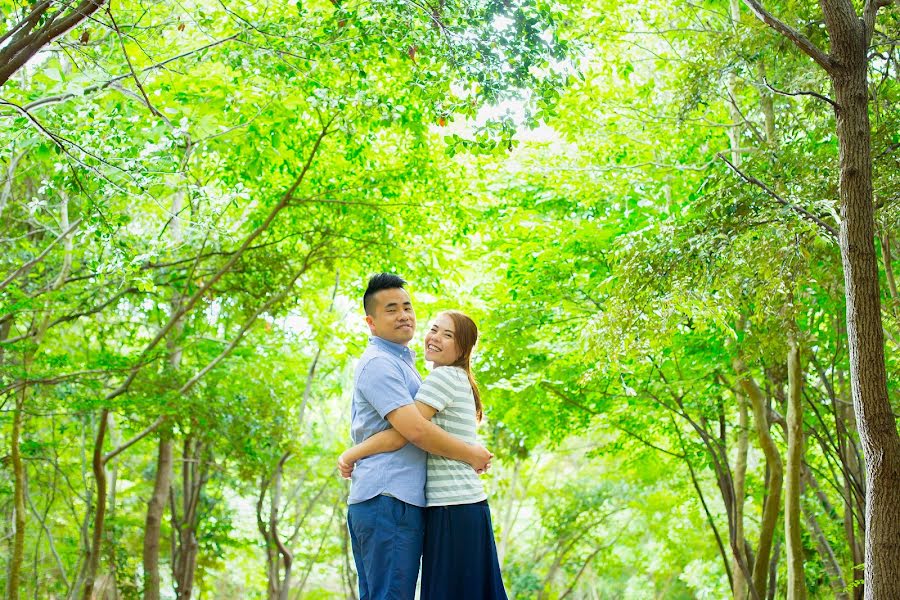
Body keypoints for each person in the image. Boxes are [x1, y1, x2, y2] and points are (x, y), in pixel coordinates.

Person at [341, 309, 508, 600]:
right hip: (461, 506)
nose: (436, 338)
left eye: (448, 335)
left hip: (453, 506)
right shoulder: (452, 378)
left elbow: (406, 432)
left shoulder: (442, 378)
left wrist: (353, 453)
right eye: (434, 329)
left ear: (463, 348)